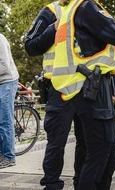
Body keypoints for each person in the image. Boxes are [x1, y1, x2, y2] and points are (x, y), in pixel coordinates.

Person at [48, 0, 115, 189]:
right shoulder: (86, 6)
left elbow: (92, 45)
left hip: (86, 86)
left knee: (107, 149)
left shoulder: (74, 8)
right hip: (91, 87)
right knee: (100, 151)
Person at [24, 1, 86, 189]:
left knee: (86, 142)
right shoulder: (51, 11)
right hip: (58, 88)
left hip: (87, 87)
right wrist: (54, 28)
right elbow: (30, 45)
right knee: (56, 143)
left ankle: (81, 183)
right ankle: (51, 185)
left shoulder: (87, 8)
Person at [0, 33, 19, 169]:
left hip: (7, 81)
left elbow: (4, 66)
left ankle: (9, 157)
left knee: (4, 120)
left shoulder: (0, 39)